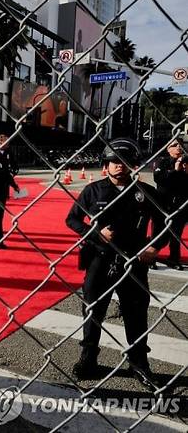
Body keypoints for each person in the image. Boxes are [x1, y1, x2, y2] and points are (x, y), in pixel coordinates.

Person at [66, 137, 168, 388]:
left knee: (136, 313)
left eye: (123, 161)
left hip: (134, 261)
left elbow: (167, 222)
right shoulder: (94, 190)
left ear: (132, 164)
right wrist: (95, 234)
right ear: (106, 164)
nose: (118, 166)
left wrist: (154, 246)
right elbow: (73, 219)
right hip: (100, 259)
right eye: (113, 161)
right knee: (93, 311)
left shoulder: (146, 193)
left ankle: (139, 363)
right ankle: (88, 358)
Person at [153, 136, 188, 270]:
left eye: (180, 145)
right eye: (174, 145)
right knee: (159, 234)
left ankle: (174, 258)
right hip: (163, 204)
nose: (178, 147)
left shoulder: (186, 161)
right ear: (168, 149)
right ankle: (152, 257)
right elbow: (160, 179)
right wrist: (175, 170)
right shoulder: (162, 162)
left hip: (180, 204)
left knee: (176, 235)